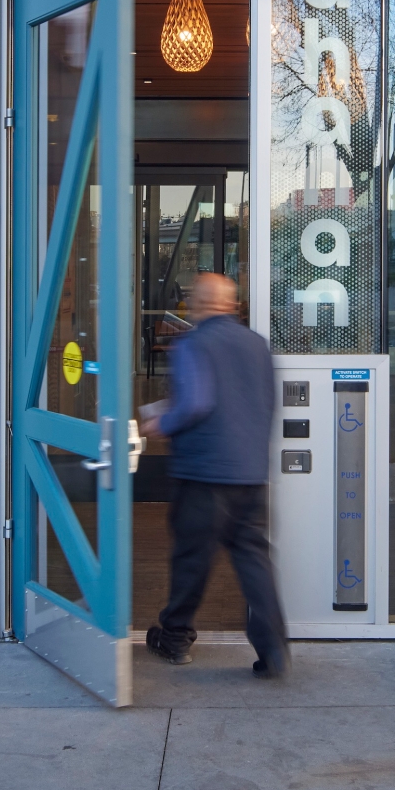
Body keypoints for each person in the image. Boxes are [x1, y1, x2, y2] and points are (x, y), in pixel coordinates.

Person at [139, 271, 288, 677]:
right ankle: (274, 650)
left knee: (192, 558)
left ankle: (174, 639)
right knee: (254, 559)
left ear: (200, 305)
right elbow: (267, 404)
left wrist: (159, 424)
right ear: (233, 305)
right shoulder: (258, 344)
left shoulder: (192, 343)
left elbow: (195, 403)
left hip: (204, 473)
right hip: (250, 474)